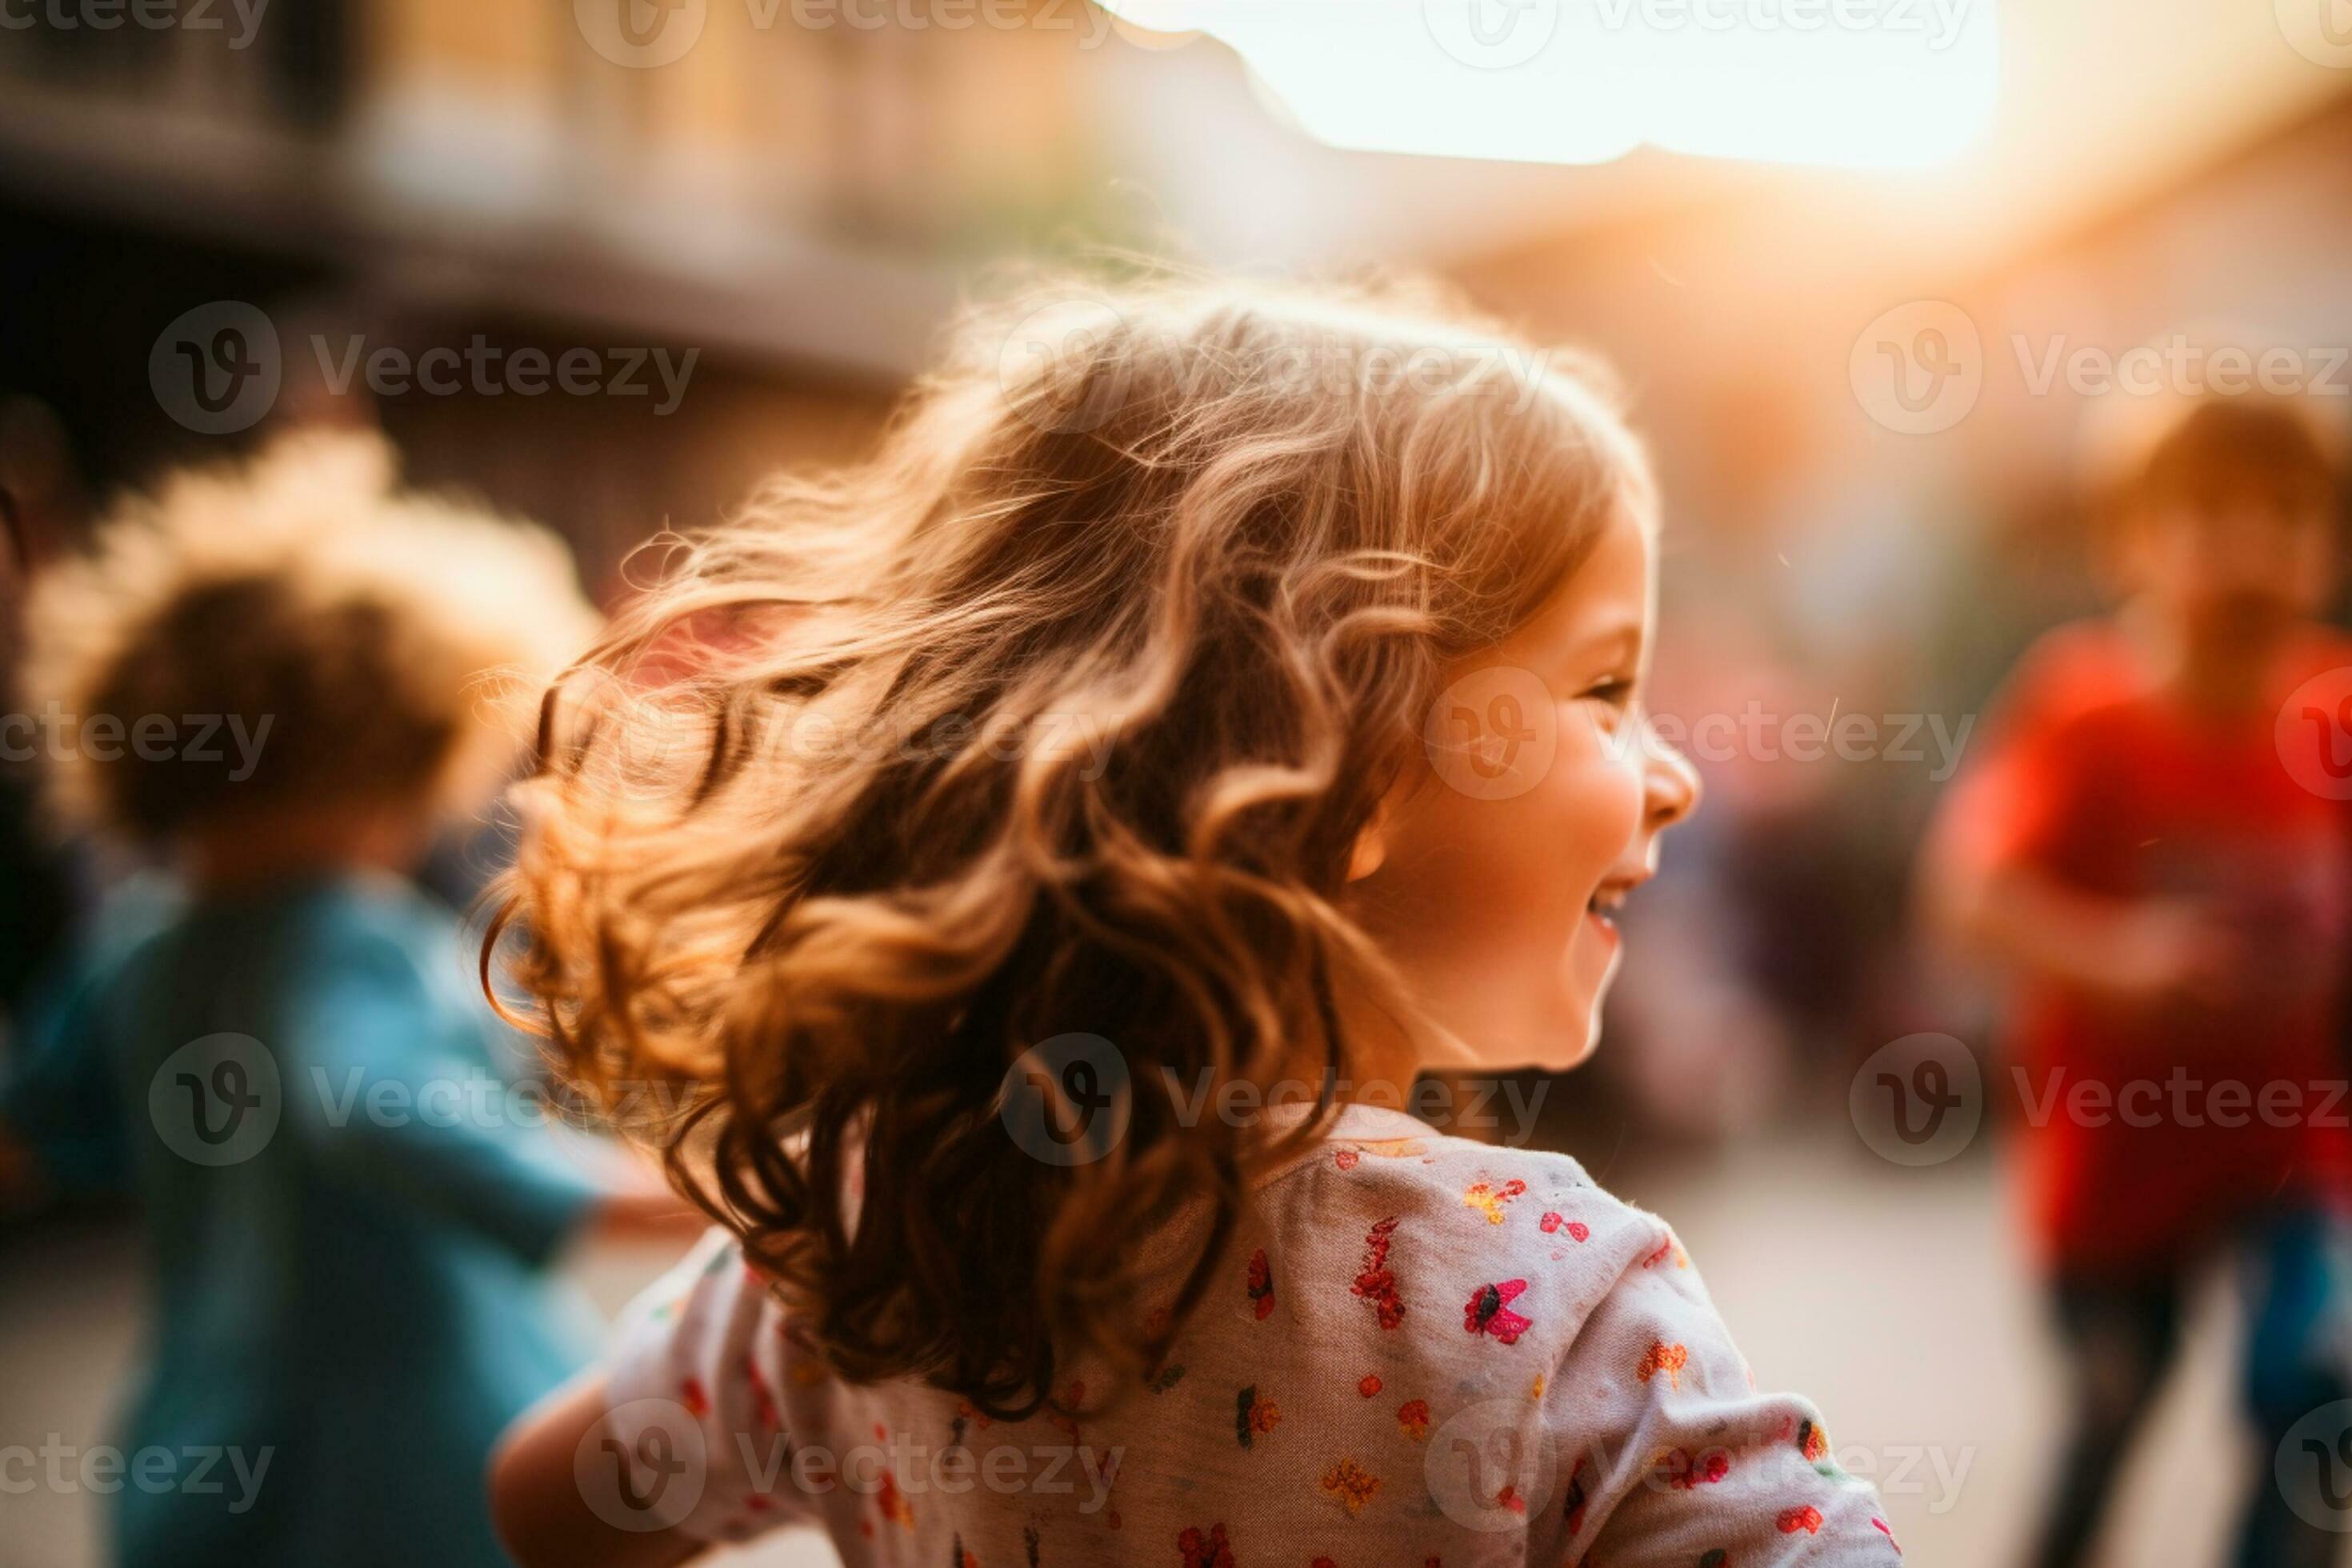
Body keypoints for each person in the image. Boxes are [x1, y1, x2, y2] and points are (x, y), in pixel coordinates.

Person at [486, 278, 1905, 1566]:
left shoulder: (867, 1225)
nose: (1677, 773)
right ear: (1341, 756)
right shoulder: (1549, 1307)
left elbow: (549, 1499)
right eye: (1605, 691)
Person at [0, 432, 694, 1567]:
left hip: (207, 1452)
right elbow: (384, 1110)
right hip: (419, 1460)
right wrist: (668, 1198)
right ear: (386, 746)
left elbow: (28, 1127)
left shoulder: (137, 944)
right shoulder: (353, 937)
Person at [1922, 378, 2352, 1568]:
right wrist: (2119, 958)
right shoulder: (2086, 713)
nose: (2253, 546)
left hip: (2292, 1149)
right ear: (2132, 545)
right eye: (2212, 513)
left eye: (2288, 513)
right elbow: (1965, 893)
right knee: (2112, 1412)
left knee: (2319, 1396)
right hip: (2114, 1156)